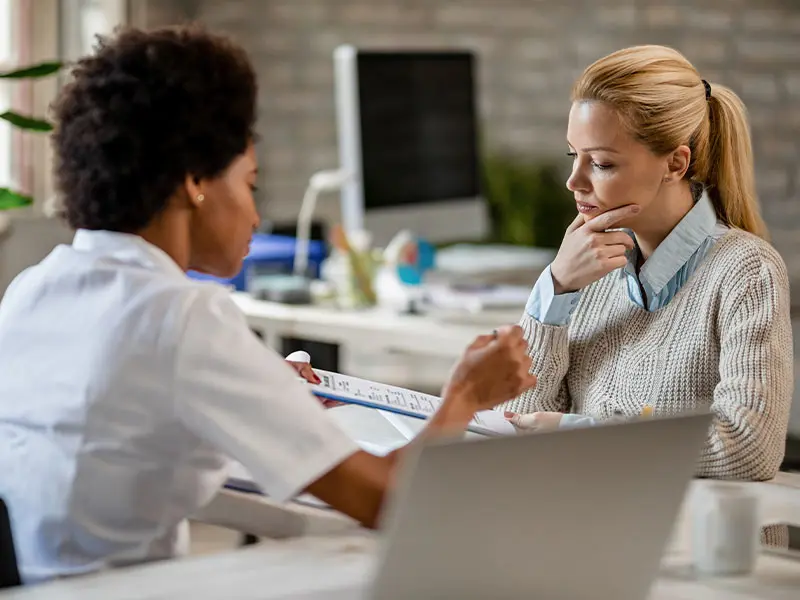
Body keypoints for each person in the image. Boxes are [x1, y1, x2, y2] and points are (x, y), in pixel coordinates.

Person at [0, 25, 537, 583]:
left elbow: (121, 424)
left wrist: (257, 384)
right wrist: (465, 398)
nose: (255, 216)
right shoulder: (182, 316)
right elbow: (387, 500)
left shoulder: (33, 288)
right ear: (194, 182)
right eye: (249, 184)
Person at [502, 45, 792, 481]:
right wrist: (555, 290)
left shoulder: (747, 271)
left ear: (675, 163)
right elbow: (515, 422)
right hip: (594, 526)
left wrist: (585, 436)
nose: (573, 181)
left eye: (600, 163)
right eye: (572, 156)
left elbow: (749, 447)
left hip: (691, 541)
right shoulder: (585, 265)